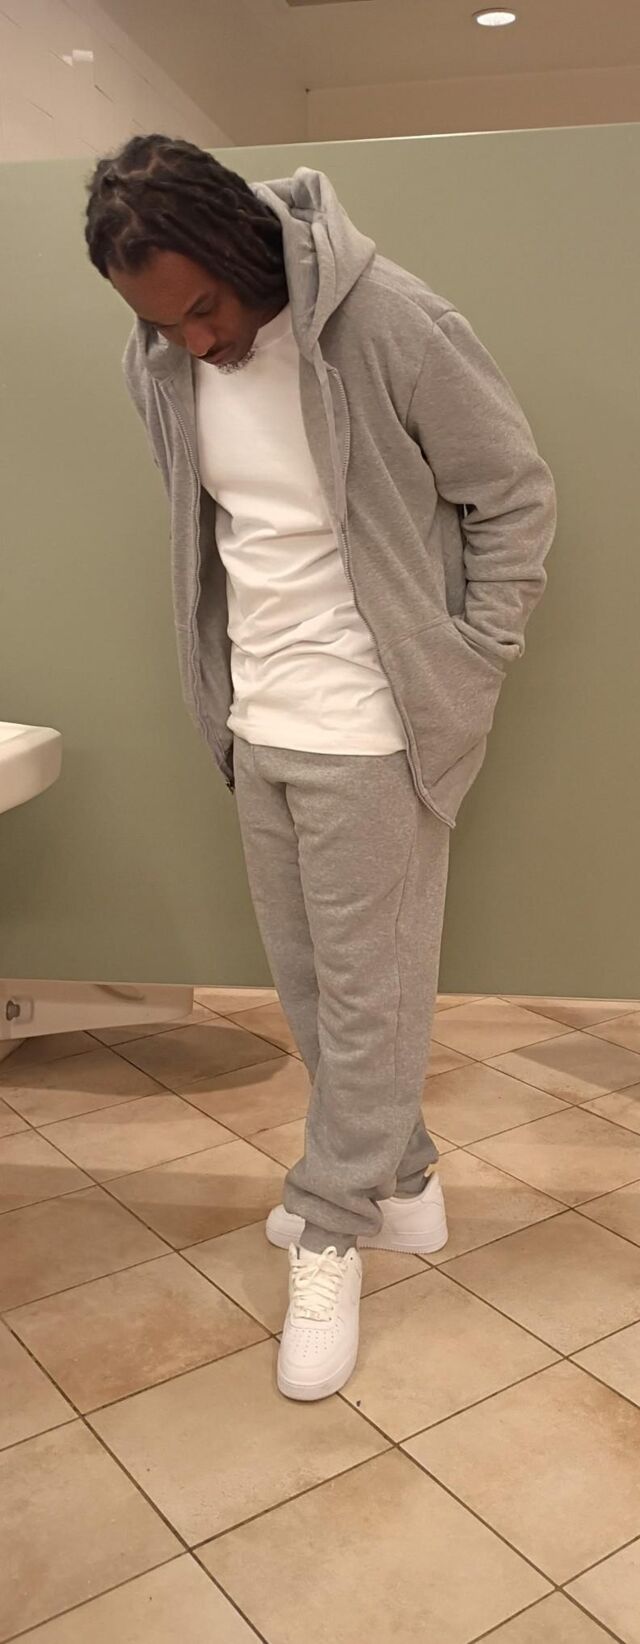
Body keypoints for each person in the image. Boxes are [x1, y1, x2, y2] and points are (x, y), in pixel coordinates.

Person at [85, 134, 556, 1402]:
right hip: (260, 720)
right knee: (314, 992)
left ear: (245, 250)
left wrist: (470, 656)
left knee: (366, 1000)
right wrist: (231, 700)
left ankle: (332, 1226)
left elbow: (512, 495)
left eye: (204, 308)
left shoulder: (392, 322)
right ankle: (403, 1185)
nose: (193, 341)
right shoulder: (160, 361)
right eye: (161, 322)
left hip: (376, 726)